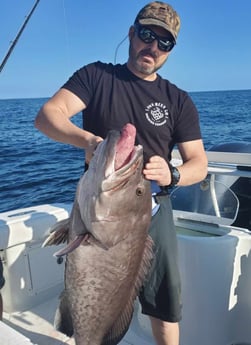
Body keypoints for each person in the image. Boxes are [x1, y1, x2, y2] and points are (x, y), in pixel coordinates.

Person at [35, 2, 208, 344]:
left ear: (171, 50)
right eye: (147, 35)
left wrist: (173, 174)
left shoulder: (179, 100)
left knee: (165, 304)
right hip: (97, 207)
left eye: (164, 43)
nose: (153, 47)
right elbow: (48, 116)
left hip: (153, 211)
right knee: (87, 294)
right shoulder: (96, 76)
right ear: (131, 34)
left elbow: (198, 164)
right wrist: (85, 140)